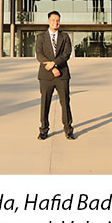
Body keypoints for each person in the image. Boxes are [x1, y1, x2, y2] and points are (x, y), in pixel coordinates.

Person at [35, 11, 74, 140]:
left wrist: (54, 64)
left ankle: (68, 130)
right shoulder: (41, 37)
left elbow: (66, 54)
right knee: (45, 103)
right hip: (46, 76)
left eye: (58, 20)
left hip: (62, 75)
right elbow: (39, 54)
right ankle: (44, 130)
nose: (56, 22)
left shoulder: (65, 37)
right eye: (53, 20)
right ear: (48, 21)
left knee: (65, 103)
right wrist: (52, 68)